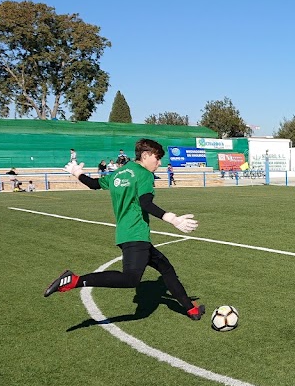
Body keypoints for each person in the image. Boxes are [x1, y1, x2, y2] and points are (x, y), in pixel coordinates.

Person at [44, 138, 206, 321]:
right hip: (136, 234)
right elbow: (145, 203)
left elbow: (94, 184)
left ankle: (191, 309)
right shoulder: (144, 174)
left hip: (125, 234)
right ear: (146, 156)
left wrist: (77, 173)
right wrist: (172, 219)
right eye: (157, 158)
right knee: (130, 279)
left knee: (165, 268)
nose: (159, 163)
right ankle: (74, 280)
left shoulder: (118, 173)